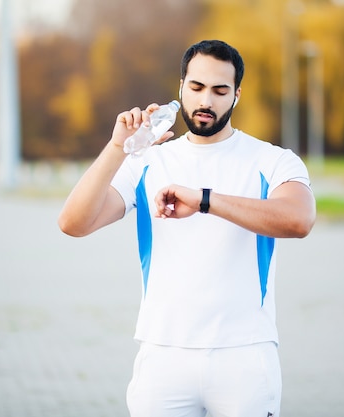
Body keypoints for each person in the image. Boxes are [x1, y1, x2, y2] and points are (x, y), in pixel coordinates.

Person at [58, 39, 316, 417]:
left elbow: (298, 220)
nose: (206, 101)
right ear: (180, 87)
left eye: (219, 90)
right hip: (162, 356)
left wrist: (204, 200)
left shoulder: (272, 160)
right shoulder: (146, 160)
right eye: (196, 88)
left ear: (237, 95)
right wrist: (117, 148)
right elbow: (73, 223)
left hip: (243, 356)